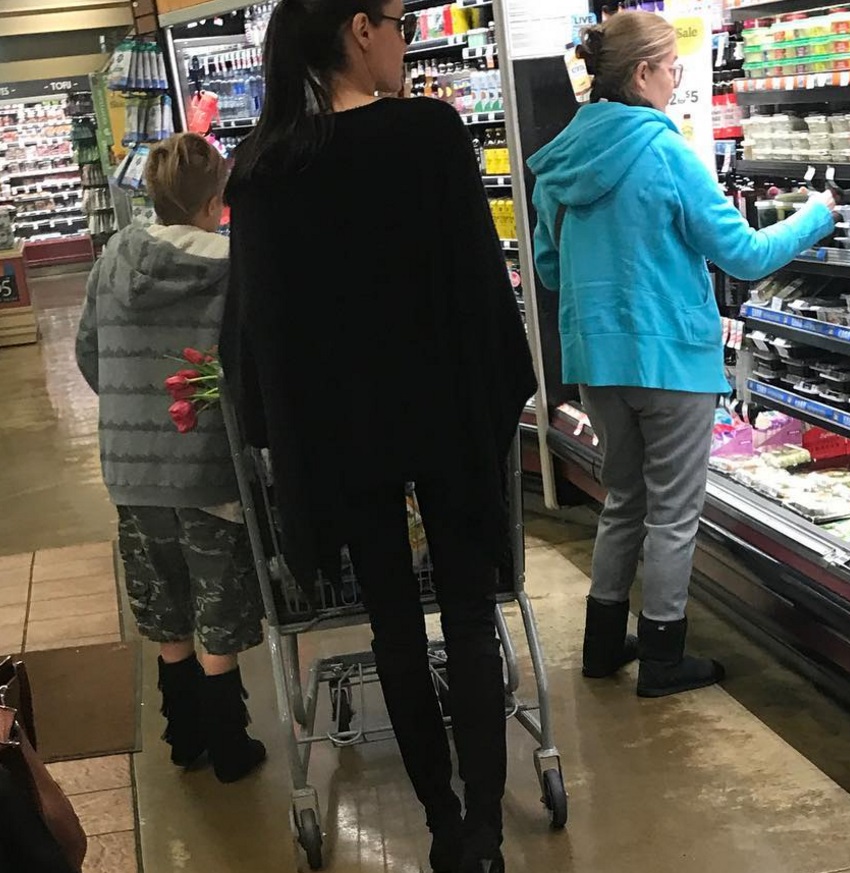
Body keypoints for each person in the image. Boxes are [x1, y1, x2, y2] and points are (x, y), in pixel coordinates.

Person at [220, 1, 536, 871]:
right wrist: (497, 397)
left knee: (393, 624)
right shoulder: (429, 134)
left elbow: (256, 334)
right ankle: (482, 831)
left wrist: (284, 434)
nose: (405, 39)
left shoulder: (265, 164)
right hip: (447, 416)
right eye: (400, 21)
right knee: (468, 614)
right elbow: (480, 285)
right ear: (361, 29)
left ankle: (439, 824)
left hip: (343, 435)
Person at [528, 12, 836, 699]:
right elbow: (743, 255)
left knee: (623, 501)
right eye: (671, 68)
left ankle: (602, 645)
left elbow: (548, 271)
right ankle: (663, 657)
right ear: (642, 73)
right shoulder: (663, 152)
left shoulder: (557, 161)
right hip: (670, 361)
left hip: (596, 361)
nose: (676, 80)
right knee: (671, 513)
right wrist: (817, 215)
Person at [75, 133, 266, 784]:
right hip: (207, 463)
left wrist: (132, 408)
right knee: (217, 593)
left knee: (161, 593)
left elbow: (88, 351)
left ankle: (183, 736)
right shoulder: (235, 268)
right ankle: (230, 744)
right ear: (215, 201)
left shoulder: (113, 258)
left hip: (131, 463)